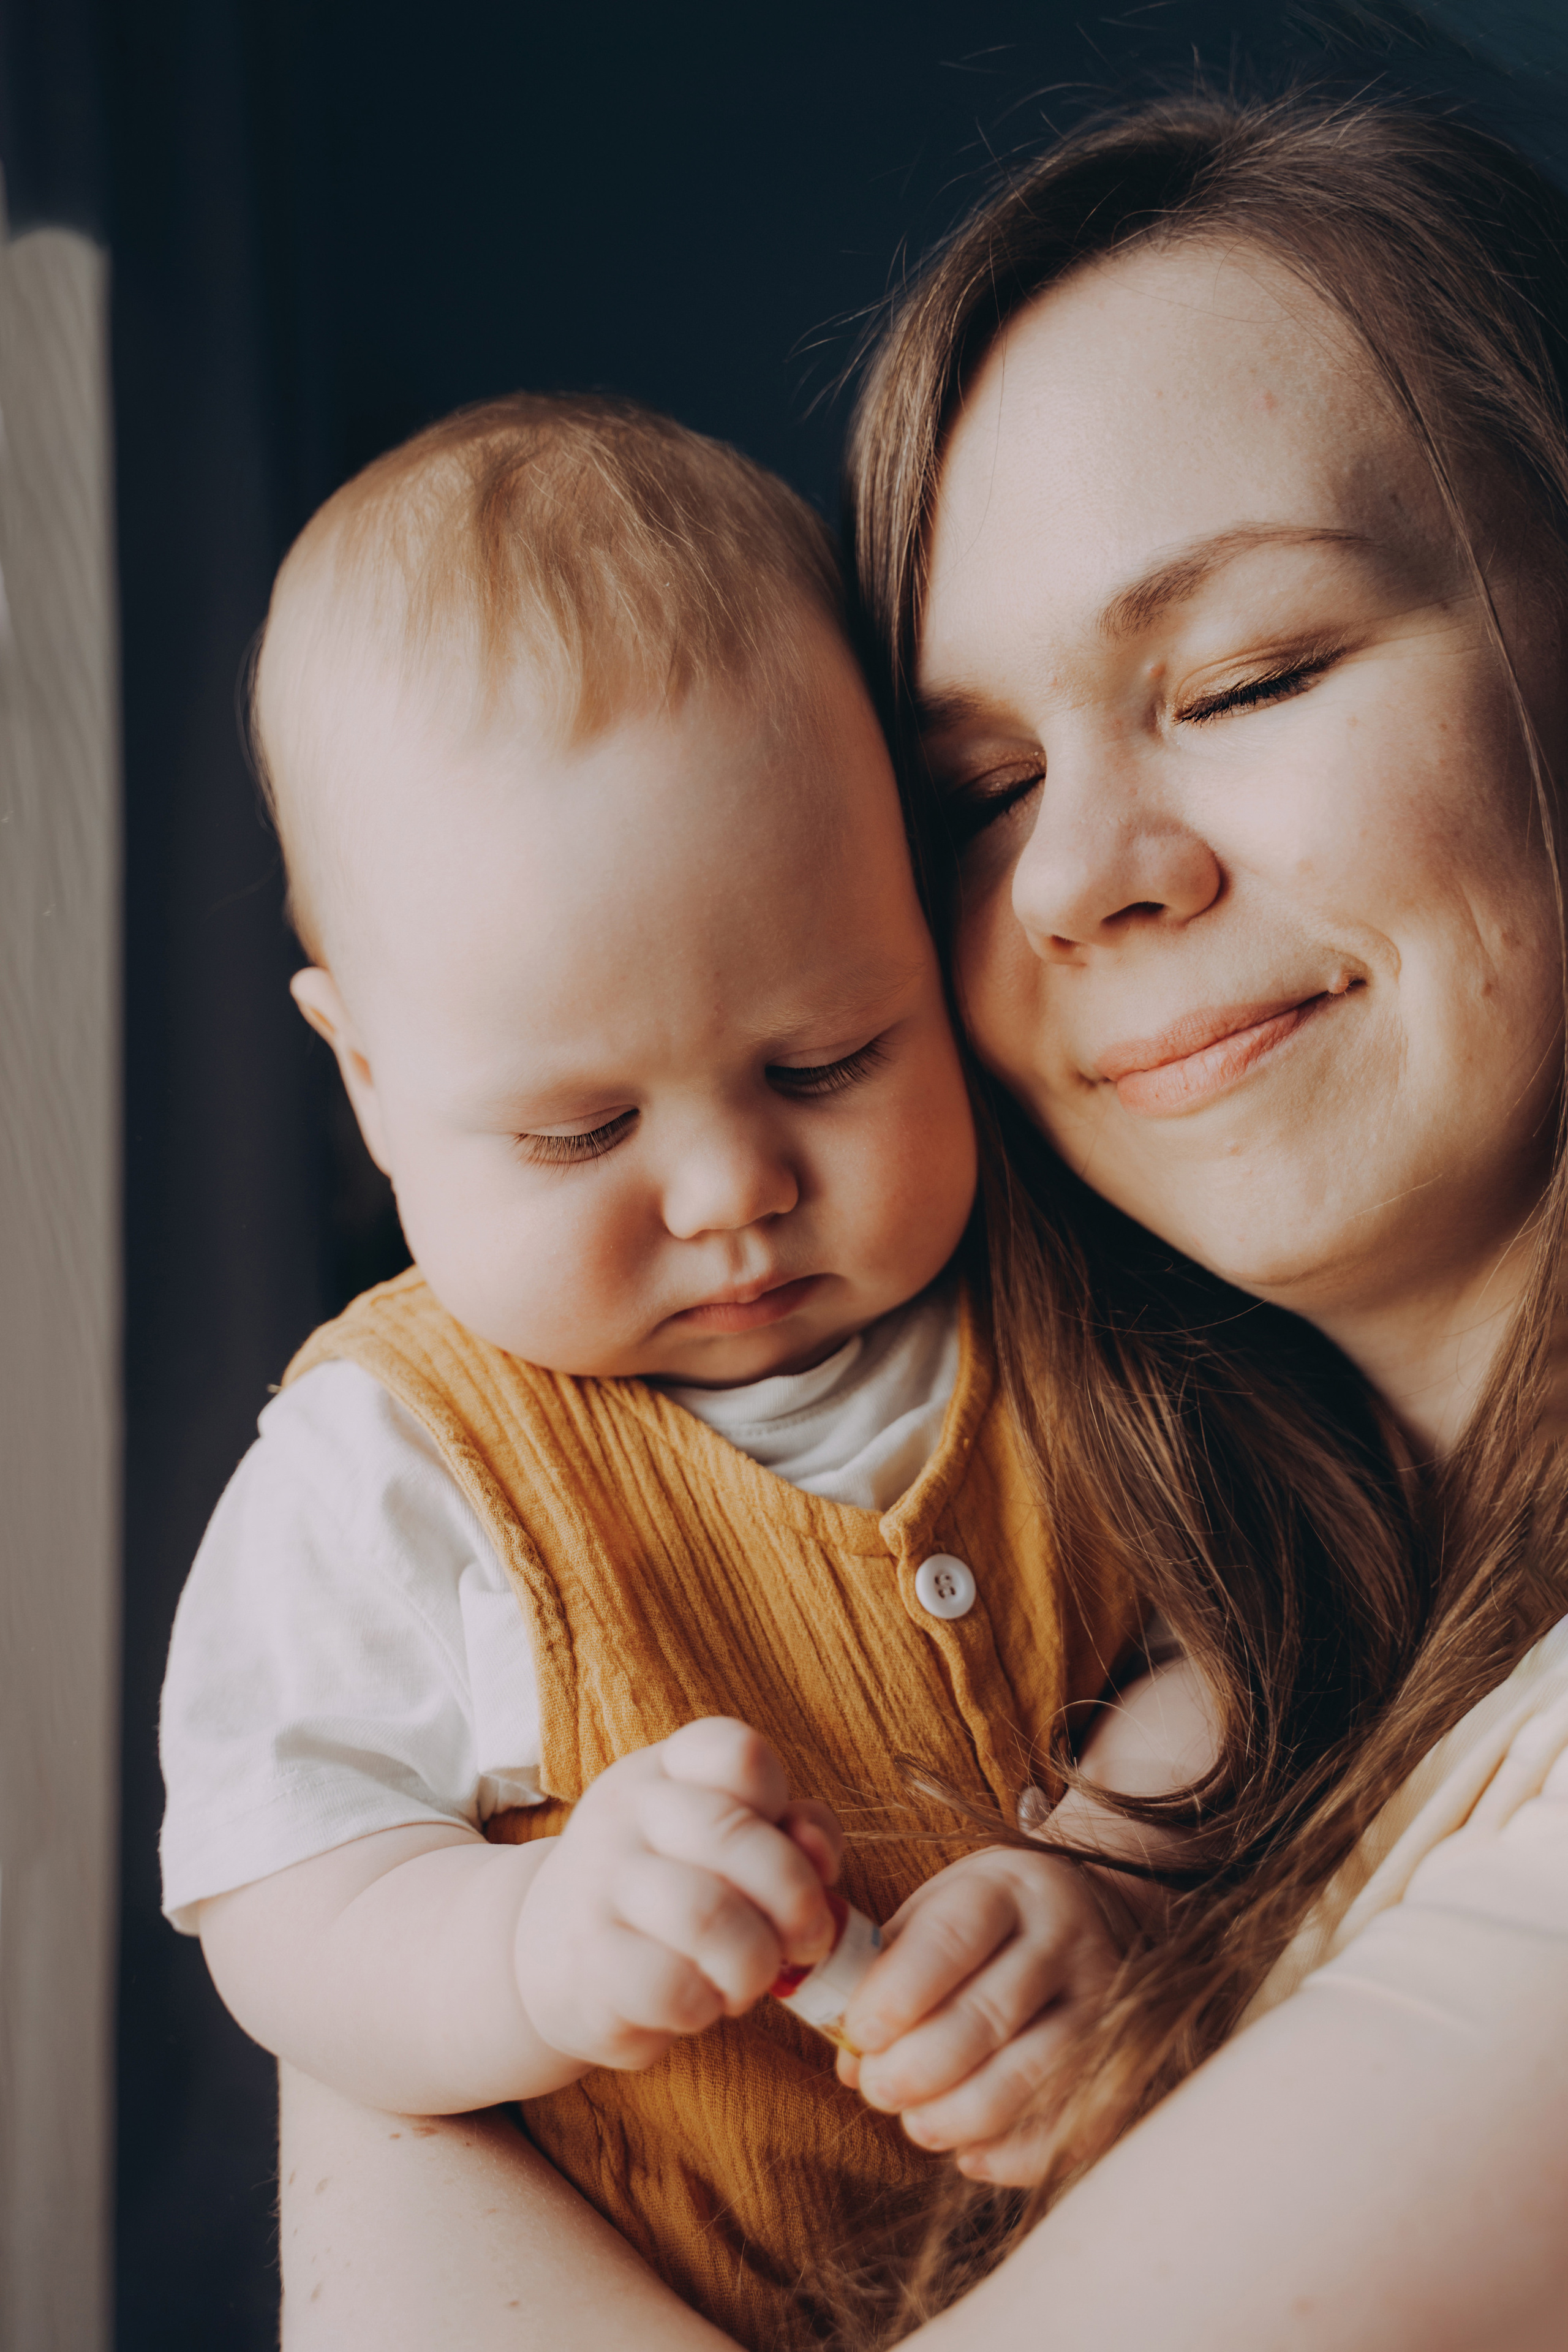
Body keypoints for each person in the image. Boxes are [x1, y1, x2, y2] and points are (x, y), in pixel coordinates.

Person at [270, 93, 1568, 2352]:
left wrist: (391, 2097)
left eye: (1250, 677)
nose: (1078, 880)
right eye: (981, 793)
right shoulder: (1174, 1577)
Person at [159, 393, 1232, 2351]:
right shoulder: (387, 1475)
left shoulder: (1077, 1293)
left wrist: (1115, 1862)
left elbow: (1237, 1628)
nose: (737, 1190)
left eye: (827, 1061)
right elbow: (282, 1896)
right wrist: (527, 1947)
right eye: (580, 1134)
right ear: (372, 1085)